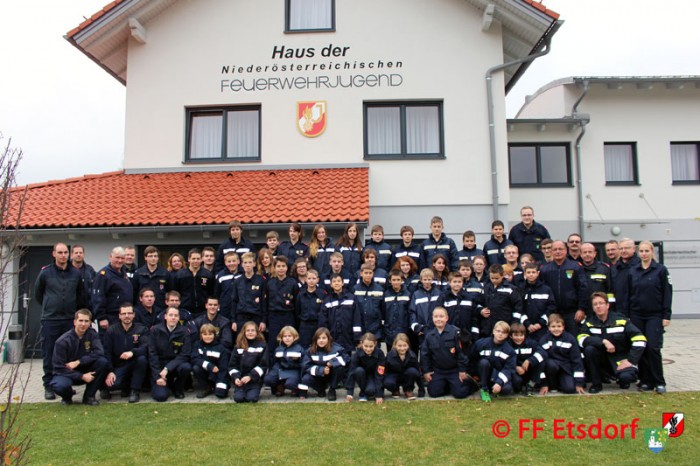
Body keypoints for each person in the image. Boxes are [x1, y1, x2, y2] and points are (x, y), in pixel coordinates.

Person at [34, 242, 89, 400]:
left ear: (69, 254)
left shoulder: (76, 274)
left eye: (65, 252)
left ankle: (66, 383)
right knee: (49, 352)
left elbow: (80, 296)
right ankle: (49, 385)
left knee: (70, 352)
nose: (63, 255)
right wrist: (50, 306)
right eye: (60, 252)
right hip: (51, 319)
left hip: (69, 319)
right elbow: (39, 294)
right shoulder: (46, 273)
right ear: (54, 254)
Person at [578, 292, 647, 394]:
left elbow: (640, 339)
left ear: (607, 305)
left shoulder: (621, 320)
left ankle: (622, 378)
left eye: (601, 303)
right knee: (589, 350)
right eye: (595, 304)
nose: (598, 306)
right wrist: (603, 341)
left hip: (620, 358)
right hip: (602, 360)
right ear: (592, 308)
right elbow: (581, 339)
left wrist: (630, 360)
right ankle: (596, 384)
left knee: (626, 378)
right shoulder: (589, 322)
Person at [627, 240, 672, 394]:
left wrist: (666, 315)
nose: (644, 254)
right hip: (637, 314)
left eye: (647, 251)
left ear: (652, 252)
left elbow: (667, 293)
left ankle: (659, 381)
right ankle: (646, 380)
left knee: (653, 348)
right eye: (642, 251)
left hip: (655, 315)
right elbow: (628, 294)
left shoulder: (660, 270)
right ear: (638, 253)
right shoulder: (633, 271)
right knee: (642, 348)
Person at [49, 309, 109, 406]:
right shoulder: (62, 341)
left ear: (90, 323)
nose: (83, 324)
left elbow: (99, 352)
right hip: (66, 373)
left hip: (85, 368)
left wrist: (79, 362)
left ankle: (89, 397)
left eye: (86, 321)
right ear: (74, 322)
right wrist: (81, 376)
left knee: (102, 362)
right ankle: (67, 398)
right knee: (60, 386)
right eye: (80, 321)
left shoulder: (92, 334)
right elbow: (58, 368)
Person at [420, 307, 474, 399]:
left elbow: (462, 353)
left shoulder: (455, 332)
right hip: (438, 371)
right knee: (433, 393)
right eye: (436, 317)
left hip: (454, 370)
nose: (438, 319)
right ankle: (450, 386)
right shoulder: (429, 335)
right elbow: (425, 355)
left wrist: (462, 370)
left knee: (460, 394)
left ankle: (471, 385)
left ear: (447, 318)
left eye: (441, 316)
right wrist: (426, 371)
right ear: (432, 318)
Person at [102, 303, 149, 403]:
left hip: (134, 363)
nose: (127, 316)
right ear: (119, 315)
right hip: (118, 366)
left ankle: (134, 391)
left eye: (129, 313)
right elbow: (107, 352)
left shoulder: (141, 329)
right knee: (113, 385)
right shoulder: (111, 331)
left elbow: (146, 347)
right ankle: (124, 386)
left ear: (134, 315)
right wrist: (110, 371)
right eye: (124, 313)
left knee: (142, 359)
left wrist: (132, 352)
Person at [538, 240, 588, 335]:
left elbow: (583, 288)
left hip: (572, 312)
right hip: (552, 312)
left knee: (573, 337)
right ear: (551, 251)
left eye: (560, 249)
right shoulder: (545, 269)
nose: (557, 252)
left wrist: (581, 308)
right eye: (555, 249)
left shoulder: (575, 267)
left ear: (566, 251)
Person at [148, 306, 193, 401]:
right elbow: (152, 354)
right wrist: (157, 376)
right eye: (171, 315)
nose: (173, 318)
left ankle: (178, 388)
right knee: (161, 397)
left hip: (175, 365)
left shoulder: (185, 332)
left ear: (179, 318)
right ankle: (166, 386)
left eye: (176, 315)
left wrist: (167, 368)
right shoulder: (155, 330)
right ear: (165, 316)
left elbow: (184, 355)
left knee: (186, 367)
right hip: (159, 368)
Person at [537, 314, 585, 396]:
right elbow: (540, 363)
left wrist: (579, 383)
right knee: (550, 364)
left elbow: (576, 360)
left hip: (566, 368)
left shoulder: (570, 339)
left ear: (563, 327)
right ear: (549, 328)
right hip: (550, 368)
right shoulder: (544, 340)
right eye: (553, 326)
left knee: (570, 389)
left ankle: (562, 383)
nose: (556, 329)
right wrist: (543, 384)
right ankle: (552, 385)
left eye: (559, 326)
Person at [470, 321, 516, 402]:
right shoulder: (481, 343)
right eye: (498, 331)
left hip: (498, 376)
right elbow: (472, 359)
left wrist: (499, 382)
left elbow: (509, 369)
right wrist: (473, 374)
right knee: (484, 362)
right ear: (493, 331)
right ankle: (484, 389)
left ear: (507, 335)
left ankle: (494, 389)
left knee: (507, 389)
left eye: (504, 332)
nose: (500, 334)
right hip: (484, 375)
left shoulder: (510, 351)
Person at [319, 274, 362, 356]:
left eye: (339, 281)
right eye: (334, 281)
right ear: (331, 285)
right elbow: (323, 321)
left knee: (348, 360)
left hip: (348, 336)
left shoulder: (351, 298)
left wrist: (357, 337)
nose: (336, 283)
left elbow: (357, 319)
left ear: (343, 283)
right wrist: (325, 336)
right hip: (332, 337)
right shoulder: (327, 300)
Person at [92, 246, 134, 331]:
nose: (120, 260)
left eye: (122, 258)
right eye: (117, 258)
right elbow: (98, 297)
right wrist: (101, 317)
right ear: (110, 257)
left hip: (123, 317)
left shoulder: (123, 273)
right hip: (110, 318)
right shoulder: (103, 275)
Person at [299, 327, 347, 401]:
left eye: (324, 338)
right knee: (306, 378)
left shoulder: (336, 348)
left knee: (339, 368)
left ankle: (332, 389)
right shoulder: (310, 351)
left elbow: (346, 358)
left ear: (329, 339)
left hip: (331, 375)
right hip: (318, 376)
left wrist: (332, 362)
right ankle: (320, 389)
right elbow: (306, 366)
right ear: (315, 339)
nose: (321, 340)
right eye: (319, 338)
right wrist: (321, 370)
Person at [436, 272, 480, 348]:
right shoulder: (443, 297)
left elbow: (474, 317)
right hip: (448, 335)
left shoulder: (469, 298)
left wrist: (474, 335)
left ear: (462, 283)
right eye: (454, 282)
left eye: (459, 282)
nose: (457, 284)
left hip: (466, 335)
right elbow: (437, 316)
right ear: (449, 283)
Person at [265, 256, 299, 353]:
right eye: (278, 266)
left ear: (287, 268)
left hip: (288, 316)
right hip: (273, 317)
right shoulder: (269, 283)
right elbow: (266, 302)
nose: (281, 268)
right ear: (274, 268)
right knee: (273, 342)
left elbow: (296, 303)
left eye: (283, 266)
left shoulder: (293, 283)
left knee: (289, 341)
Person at [228, 321, 268, 403]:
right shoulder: (238, 346)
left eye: (253, 330)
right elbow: (232, 366)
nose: (250, 332)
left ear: (257, 332)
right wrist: (236, 378)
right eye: (248, 330)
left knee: (252, 398)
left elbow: (263, 365)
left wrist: (250, 376)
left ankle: (254, 390)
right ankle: (239, 391)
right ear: (244, 332)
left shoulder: (262, 345)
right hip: (241, 380)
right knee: (238, 399)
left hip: (254, 380)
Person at [479, 264, 522, 337]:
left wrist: (514, 324)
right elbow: (479, 302)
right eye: (492, 278)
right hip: (488, 327)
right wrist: (480, 310)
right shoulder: (485, 288)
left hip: (504, 325)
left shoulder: (511, 289)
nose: (494, 280)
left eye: (497, 278)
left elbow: (518, 308)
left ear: (502, 276)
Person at [170, 248, 215, 317]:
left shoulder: (208, 275)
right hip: (184, 310)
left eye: (198, 259)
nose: (196, 261)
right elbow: (174, 293)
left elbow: (212, 293)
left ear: (201, 259)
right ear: (189, 259)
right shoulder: (180, 275)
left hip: (203, 311)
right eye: (193, 259)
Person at [191, 323, 230, 399]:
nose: (207, 337)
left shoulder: (221, 348)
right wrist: (210, 366)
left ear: (214, 335)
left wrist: (221, 383)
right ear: (201, 335)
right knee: (196, 367)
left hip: (217, 375)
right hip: (205, 373)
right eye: (205, 334)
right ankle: (205, 388)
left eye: (210, 334)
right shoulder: (197, 345)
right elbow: (194, 358)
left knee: (221, 394)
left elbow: (223, 368)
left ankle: (216, 387)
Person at [231, 252, 267, 334]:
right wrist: (233, 320)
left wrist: (263, 321)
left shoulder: (261, 281)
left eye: (250, 262)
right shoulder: (237, 282)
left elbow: (264, 302)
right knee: (241, 342)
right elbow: (234, 301)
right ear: (242, 264)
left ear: (254, 264)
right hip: (241, 317)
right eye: (245, 262)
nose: (247, 265)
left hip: (256, 317)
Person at [518, 263, 555, 341]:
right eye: (528, 272)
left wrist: (541, 323)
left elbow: (551, 307)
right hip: (525, 328)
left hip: (542, 328)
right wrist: (527, 324)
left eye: (533, 272)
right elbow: (518, 307)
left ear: (538, 273)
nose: (531, 275)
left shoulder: (546, 289)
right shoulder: (520, 289)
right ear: (524, 274)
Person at [264, 326, 304, 397]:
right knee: (268, 379)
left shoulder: (299, 349)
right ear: (281, 338)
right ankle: (280, 386)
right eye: (285, 336)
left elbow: (302, 364)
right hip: (280, 369)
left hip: (293, 370)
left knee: (290, 383)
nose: (287, 338)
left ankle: (295, 388)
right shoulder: (278, 349)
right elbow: (275, 362)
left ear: (295, 337)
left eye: (289, 336)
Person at [346, 333, 386, 404]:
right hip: (362, 376)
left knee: (371, 391)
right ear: (361, 343)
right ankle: (362, 393)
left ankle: (372, 391)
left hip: (374, 376)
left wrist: (379, 395)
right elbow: (351, 372)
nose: (368, 349)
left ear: (375, 344)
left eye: (371, 346)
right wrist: (350, 393)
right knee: (358, 371)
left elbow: (380, 373)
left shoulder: (380, 354)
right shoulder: (357, 354)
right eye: (366, 346)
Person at [409, 268, 441, 356]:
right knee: (424, 353)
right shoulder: (416, 294)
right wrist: (417, 328)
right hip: (422, 330)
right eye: (425, 279)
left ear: (432, 279)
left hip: (435, 329)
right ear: (421, 280)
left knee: (436, 353)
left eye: (429, 279)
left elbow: (442, 311)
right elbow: (412, 312)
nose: (427, 282)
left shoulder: (438, 293)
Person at [580, 242, 615, 316]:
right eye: (585, 252)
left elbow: (610, 290)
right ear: (581, 254)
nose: (587, 254)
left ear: (595, 253)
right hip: (583, 310)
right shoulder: (576, 268)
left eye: (590, 252)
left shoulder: (604, 269)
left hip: (601, 309)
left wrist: (609, 306)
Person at [295, 268, 327, 348]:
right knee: (305, 347)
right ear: (305, 279)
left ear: (318, 280)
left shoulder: (322, 294)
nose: (311, 281)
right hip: (304, 325)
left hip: (318, 325)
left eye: (314, 278)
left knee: (319, 346)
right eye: (309, 278)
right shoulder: (301, 294)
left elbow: (325, 311)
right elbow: (297, 311)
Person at [509, 323, 544, 395]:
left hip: (529, 370)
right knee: (517, 385)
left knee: (540, 361)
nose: (519, 338)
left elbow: (543, 354)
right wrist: (515, 367)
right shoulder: (507, 345)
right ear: (510, 336)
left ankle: (531, 385)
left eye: (521, 335)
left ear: (525, 335)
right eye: (516, 335)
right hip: (515, 372)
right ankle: (518, 387)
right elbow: (503, 361)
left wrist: (529, 360)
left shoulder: (532, 343)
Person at [383, 333, 421, 400]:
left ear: (408, 345)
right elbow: (385, 371)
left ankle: (408, 390)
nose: (402, 348)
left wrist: (421, 390)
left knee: (413, 371)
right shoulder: (389, 356)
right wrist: (380, 393)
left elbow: (418, 372)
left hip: (406, 377)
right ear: (395, 345)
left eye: (404, 345)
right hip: (394, 376)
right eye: (399, 346)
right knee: (387, 382)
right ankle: (395, 390)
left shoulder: (412, 356)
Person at [353, 263, 385, 342]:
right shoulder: (355, 289)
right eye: (366, 273)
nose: (368, 275)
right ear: (361, 273)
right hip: (361, 327)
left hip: (375, 328)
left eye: (370, 273)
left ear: (373, 274)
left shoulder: (379, 289)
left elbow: (383, 308)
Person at [383, 270, 412, 348]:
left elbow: (410, 312)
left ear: (402, 280)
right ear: (390, 281)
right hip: (389, 331)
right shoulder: (385, 294)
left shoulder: (408, 294)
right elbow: (383, 312)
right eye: (394, 280)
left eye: (398, 280)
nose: (396, 282)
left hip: (404, 330)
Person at [612, 238, 640, 317]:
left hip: (637, 312)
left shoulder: (640, 266)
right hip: (619, 311)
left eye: (627, 248)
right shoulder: (615, 268)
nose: (623, 251)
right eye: (621, 248)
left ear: (634, 249)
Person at [214, 251, 241, 320]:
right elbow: (217, 293)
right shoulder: (220, 276)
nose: (231, 263)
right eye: (229, 261)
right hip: (225, 309)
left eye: (234, 261)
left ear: (238, 261)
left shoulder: (243, 274)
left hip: (240, 309)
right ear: (225, 263)